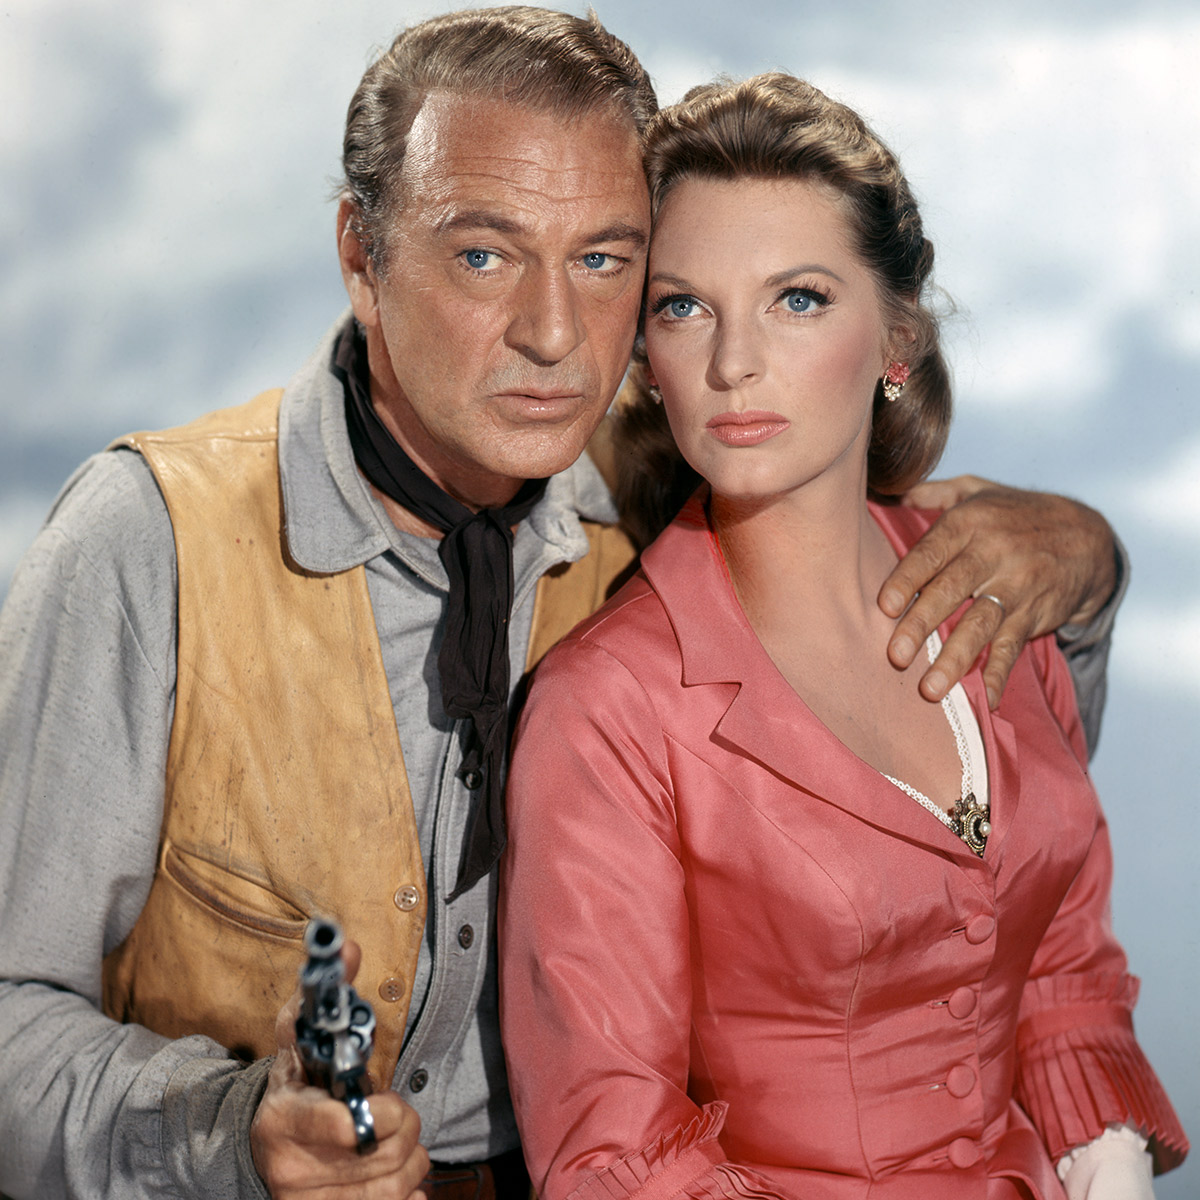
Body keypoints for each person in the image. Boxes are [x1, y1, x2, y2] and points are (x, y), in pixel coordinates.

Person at [0, 10, 1123, 1200]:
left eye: (601, 261)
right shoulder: (151, 540)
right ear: (363, 258)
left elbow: (970, 849)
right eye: (484, 256)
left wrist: (1090, 566)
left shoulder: (665, 516)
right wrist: (228, 1134)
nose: (550, 334)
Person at [499, 73, 1188, 1200]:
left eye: (798, 298)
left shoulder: (998, 584)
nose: (734, 362)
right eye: (683, 307)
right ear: (644, 357)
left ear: (896, 336)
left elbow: (1064, 967)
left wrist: (1112, 1171)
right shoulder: (607, 707)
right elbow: (616, 1155)